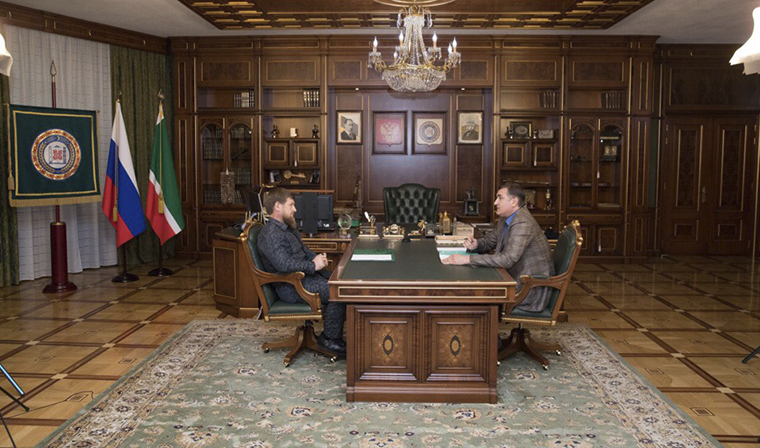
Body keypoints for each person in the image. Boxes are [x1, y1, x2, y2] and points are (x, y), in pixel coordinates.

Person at [257, 187, 347, 355]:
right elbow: (283, 265)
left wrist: (317, 258)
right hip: (291, 286)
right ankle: (330, 339)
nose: (295, 209)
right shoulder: (270, 234)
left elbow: (303, 250)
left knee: (344, 281)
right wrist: (312, 266)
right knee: (338, 291)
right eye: (291, 205)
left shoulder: (287, 228)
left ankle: (337, 332)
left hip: (305, 278)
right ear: (278, 206)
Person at [442, 182, 554, 312]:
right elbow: (490, 241)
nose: (495, 202)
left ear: (514, 201)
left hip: (528, 289)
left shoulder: (523, 222)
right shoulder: (506, 218)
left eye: (500, 198)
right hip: (511, 278)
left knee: (471, 293)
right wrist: (476, 244)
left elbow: (507, 259)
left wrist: (466, 259)